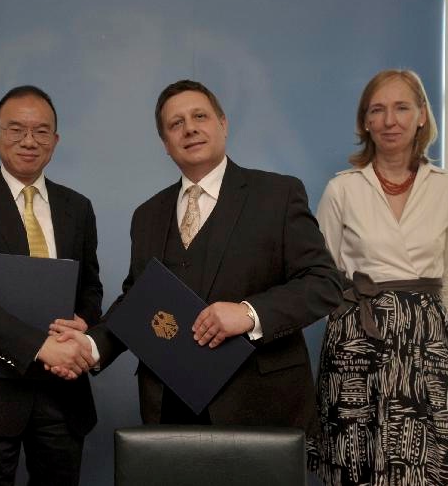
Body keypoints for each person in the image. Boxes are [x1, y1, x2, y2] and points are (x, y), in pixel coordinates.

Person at [53, 79, 342, 430]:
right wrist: (90, 345)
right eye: (176, 124)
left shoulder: (277, 194)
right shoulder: (147, 215)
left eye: (200, 116)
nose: (189, 128)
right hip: (168, 404)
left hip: (259, 402)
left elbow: (324, 283)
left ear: (223, 124)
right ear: (166, 144)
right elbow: (138, 302)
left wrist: (249, 314)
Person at [0, 85, 103, 486]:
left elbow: (91, 287)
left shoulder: (77, 207)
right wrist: (39, 346)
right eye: (16, 129)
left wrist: (82, 326)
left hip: (63, 392)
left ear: (55, 140)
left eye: (41, 131)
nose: (29, 141)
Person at [311, 69, 448, 486]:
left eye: (401, 107)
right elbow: (321, 278)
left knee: (423, 467)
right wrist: (340, 343)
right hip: (357, 342)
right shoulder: (341, 190)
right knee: (357, 465)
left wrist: (444, 345)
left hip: (427, 345)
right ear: (365, 122)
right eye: (377, 110)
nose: (389, 120)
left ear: (421, 116)